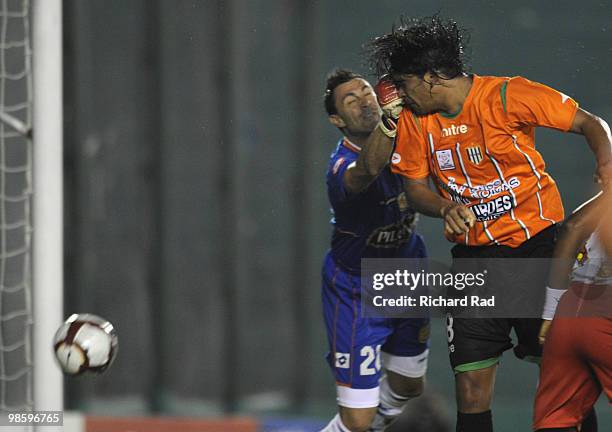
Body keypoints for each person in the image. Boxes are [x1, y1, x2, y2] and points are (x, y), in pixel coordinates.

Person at [365, 14, 612, 432]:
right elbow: (414, 188)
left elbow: (592, 123)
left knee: (563, 383)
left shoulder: (507, 95)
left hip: (539, 251)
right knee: (472, 390)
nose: (401, 95)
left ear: (429, 78)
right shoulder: (413, 120)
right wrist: (444, 207)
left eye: (404, 84)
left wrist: (605, 160)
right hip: (475, 264)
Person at [320, 69, 430, 432]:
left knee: (409, 384)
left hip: (407, 271)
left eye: (366, 90)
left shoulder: (409, 135)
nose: (363, 99)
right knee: (357, 418)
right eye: (350, 100)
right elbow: (367, 169)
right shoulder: (340, 166)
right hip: (356, 286)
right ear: (338, 120)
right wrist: (389, 120)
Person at [534, 189, 612, 431]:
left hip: (569, 309)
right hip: (606, 307)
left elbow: (570, 228)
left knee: (556, 419)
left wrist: (551, 309)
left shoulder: (598, 203)